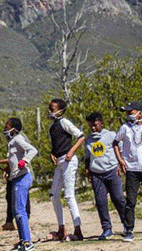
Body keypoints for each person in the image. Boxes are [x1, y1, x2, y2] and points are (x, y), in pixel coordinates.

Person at [113, 101, 142, 242]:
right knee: (130, 201)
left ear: (140, 113)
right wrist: (120, 160)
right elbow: (115, 143)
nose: (128, 115)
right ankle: (128, 229)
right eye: (127, 112)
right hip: (131, 169)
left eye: (131, 112)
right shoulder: (124, 128)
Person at [0, 118, 38, 251]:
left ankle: (28, 242)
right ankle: (22, 240)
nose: (4, 129)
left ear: (14, 129)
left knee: (20, 210)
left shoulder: (18, 139)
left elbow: (33, 150)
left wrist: (25, 161)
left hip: (23, 177)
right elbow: (13, 159)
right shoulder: (12, 142)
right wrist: (8, 169)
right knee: (16, 210)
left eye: (7, 126)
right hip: (16, 178)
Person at [45, 98, 85, 242]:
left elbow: (80, 136)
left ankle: (78, 230)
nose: (50, 111)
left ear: (60, 111)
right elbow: (57, 143)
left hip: (68, 160)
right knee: (54, 194)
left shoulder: (64, 123)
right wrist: (52, 153)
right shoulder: (52, 127)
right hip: (60, 161)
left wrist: (71, 151)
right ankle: (61, 228)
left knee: (69, 195)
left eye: (52, 109)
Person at [84, 112, 126, 240]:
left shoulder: (111, 135)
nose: (93, 128)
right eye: (91, 126)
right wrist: (87, 170)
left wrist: (120, 164)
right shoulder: (88, 140)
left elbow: (120, 150)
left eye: (95, 125)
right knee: (101, 201)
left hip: (112, 171)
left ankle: (127, 224)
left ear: (101, 123)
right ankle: (107, 228)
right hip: (97, 174)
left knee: (118, 198)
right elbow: (87, 156)